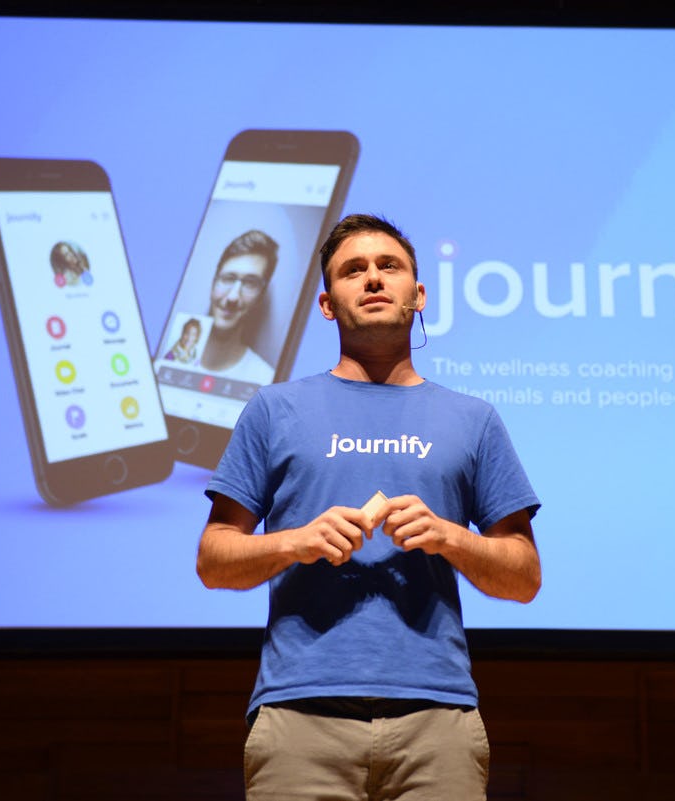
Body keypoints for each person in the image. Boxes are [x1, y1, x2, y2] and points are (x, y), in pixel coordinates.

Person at [197, 214, 542, 800]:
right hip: (300, 713)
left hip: (437, 715)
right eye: (353, 270)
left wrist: (448, 536)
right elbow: (213, 559)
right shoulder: (275, 409)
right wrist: (296, 542)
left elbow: (525, 576)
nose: (374, 280)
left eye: (390, 267)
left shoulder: (473, 418)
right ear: (328, 304)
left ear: (419, 294)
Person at [199, 229, 277, 384]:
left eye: (250, 283)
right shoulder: (169, 361)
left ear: (261, 296)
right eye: (228, 278)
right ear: (213, 283)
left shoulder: (265, 380)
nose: (233, 297)